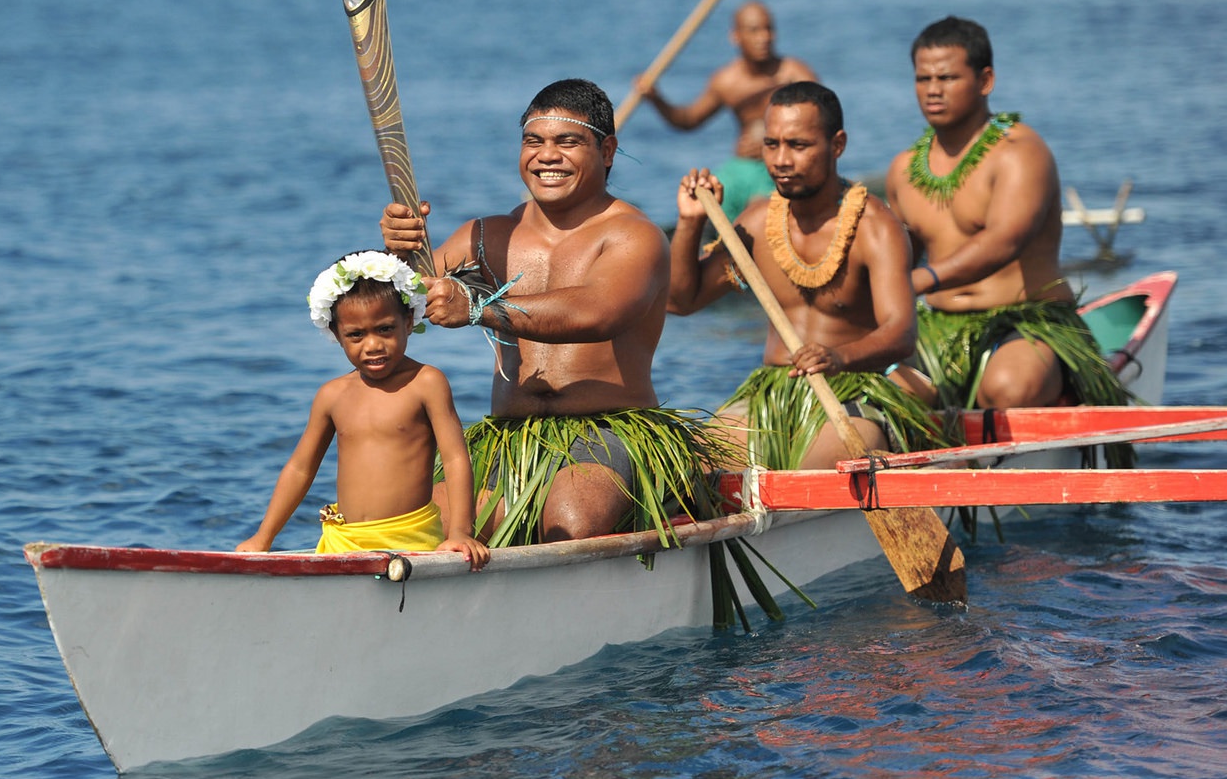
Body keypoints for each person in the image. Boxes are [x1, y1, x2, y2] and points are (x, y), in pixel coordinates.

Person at [380, 79, 731, 546]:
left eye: (567, 142)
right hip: (509, 434)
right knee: (428, 519)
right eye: (533, 142)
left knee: (570, 515)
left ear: (607, 151)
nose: (547, 156)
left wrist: (479, 306)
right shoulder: (486, 235)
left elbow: (597, 312)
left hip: (609, 432)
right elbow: (391, 311)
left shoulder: (635, 236)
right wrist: (399, 256)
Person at [667, 82, 947, 470]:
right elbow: (681, 301)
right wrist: (689, 224)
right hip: (776, 392)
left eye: (798, 145)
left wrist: (838, 356)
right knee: (693, 459)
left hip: (857, 390)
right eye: (771, 144)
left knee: (808, 464)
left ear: (837, 145)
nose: (781, 159)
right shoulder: (755, 222)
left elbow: (901, 333)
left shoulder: (875, 227)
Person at [884, 17, 1131, 445]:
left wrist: (926, 278)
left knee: (1007, 388)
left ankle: (1061, 388)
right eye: (923, 78)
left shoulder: (1020, 153)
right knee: (888, 393)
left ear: (985, 80)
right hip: (938, 326)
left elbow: (1003, 241)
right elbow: (895, 254)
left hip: (1025, 321)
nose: (932, 89)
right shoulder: (905, 169)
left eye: (947, 77)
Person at [236, 250, 489, 569]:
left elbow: (454, 458)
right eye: (356, 335)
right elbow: (301, 468)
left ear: (408, 322)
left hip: (412, 539)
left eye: (385, 329)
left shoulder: (426, 383)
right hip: (346, 541)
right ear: (336, 335)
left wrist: (460, 533)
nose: (372, 345)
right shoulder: (333, 395)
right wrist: (263, 539)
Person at [640, 0, 818, 222]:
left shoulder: (794, 73)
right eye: (754, 30)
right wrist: (656, 99)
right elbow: (688, 120)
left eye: (768, 29)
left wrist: (772, 142)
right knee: (709, 198)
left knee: (760, 209)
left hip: (782, 165)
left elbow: (822, 124)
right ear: (736, 36)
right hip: (741, 168)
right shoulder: (727, 80)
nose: (763, 37)